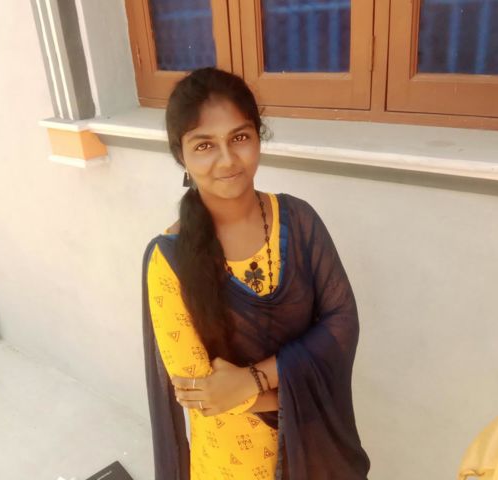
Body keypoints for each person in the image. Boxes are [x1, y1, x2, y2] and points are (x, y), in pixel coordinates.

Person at [141, 67, 370, 480]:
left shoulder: (297, 220)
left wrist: (252, 381)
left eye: (240, 138)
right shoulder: (169, 261)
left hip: (316, 449)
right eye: (204, 145)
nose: (227, 159)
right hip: (232, 462)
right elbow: (200, 392)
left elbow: (342, 321)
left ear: (258, 138)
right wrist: (302, 392)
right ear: (181, 156)